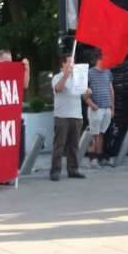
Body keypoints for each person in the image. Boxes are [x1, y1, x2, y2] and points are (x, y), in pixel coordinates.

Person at [0, 49, 31, 188]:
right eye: (6, 62)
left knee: (5, 150)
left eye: (10, 62)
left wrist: (27, 69)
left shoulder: (11, 74)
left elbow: (25, 84)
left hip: (8, 120)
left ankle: (3, 176)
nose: (9, 65)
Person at [50, 53, 85, 181]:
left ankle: (73, 169)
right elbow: (58, 88)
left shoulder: (77, 77)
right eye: (70, 62)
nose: (72, 65)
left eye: (73, 62)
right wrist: (66, 75)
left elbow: (83, 94)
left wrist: (87, 92)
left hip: (76, 115)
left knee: (74, 145)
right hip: (62, 116)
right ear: (63, 64)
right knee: (59, 145)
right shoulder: (57, 77)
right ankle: (55, 171)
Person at [83, 51, 115, 168]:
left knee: (101, 133)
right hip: (96, 108)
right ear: (99, 59)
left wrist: (112, 107)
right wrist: (91, 104)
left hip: (106, 107)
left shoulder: (108, 72)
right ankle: (92, 158)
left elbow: (111, 90)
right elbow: (84, 92)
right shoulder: (90, 73)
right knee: (94, 133)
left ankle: (100, 157)